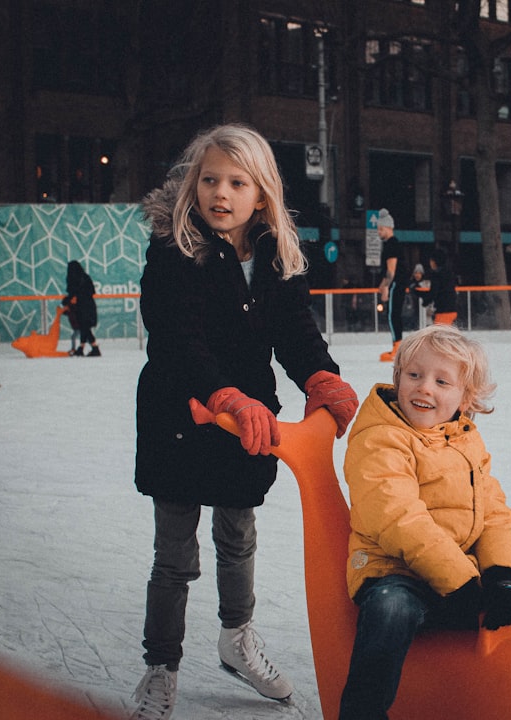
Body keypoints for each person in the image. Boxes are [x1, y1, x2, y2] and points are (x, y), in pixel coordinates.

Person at [130, 123, 359, 720]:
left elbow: (295, 332)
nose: (220, 193)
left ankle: (237, 638)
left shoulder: (278, 256)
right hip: (181, 416)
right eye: (209, 180)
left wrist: (321, 378)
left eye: (236, 182)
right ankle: (161, 666)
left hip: (249, 423)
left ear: (262, 193)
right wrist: (225, 396)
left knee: (237, 536)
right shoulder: (173, 250)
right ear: (193, 186)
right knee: (174, 554)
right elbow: (180, 339)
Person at [338, 324, 511, 720]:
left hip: (463, 579)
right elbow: (398, 517)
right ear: (397, 376)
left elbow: (493, 513)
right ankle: (361, 713)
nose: (424, 389)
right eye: (414, 375)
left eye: (441, 381)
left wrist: (503, 578)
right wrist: (460, 583)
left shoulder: (465, 440)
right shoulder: (380, 438)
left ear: (465, 397)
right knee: (390, 609)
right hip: (396, 573)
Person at [376, 208, 409, 362]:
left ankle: (397, 349)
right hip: (397, 283)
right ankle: (397, 347)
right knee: (393, 315)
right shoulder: (392, 244)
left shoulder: (391, 244)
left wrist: (386, 287)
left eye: (380, 229)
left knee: (392, 315)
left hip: (396, 283)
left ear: (388, 228)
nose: (378, 232)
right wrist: (383, 285)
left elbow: (391, 270)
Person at [61, 260, 101, 356]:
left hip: (81, 308)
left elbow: (73, 294)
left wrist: (70, 300)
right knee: (85, 327)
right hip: (88, 306)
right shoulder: (85, 278)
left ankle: (90, 348)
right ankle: (86, 347)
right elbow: (91, 291)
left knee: (84, 327)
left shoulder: (74, 280)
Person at [421, 248, 457, 326]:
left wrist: (425, 301)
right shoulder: (449, 273)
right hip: (452, 309)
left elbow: (434, 291)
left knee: (441, 335)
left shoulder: (436, 274)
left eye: (431, 261)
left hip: (443, 311)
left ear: (434, 262)